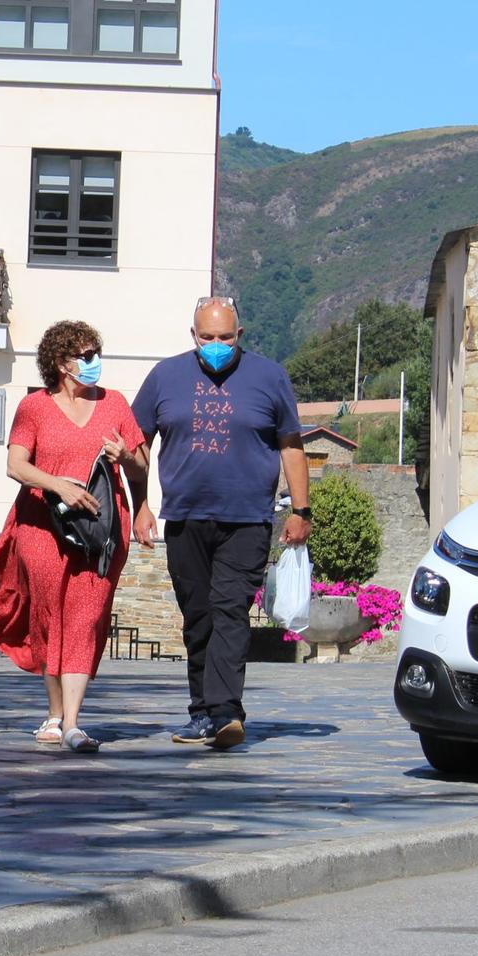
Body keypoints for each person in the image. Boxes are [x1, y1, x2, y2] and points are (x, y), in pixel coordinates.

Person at [131, 297, 311, 752]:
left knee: (230, 609)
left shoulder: (269, 376)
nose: (216, 345)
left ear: (240, 336)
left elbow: (291, 445)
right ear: (193, 336)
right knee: (199, 617)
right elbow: (137, 445)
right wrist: (140, 505)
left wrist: (301, 510)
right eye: (207, 337)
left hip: (247, 520)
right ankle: (202, 713)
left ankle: (226, 711)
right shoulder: (164, 377)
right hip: (185, 518)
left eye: (225, 338)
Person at [0, 320, 149, 753]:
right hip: (42, 527)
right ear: (61, 363)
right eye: (86, 356)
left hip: (101, 530)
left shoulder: (115, 404)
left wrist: (126, 455)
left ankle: (73, 722)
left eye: (96, 353)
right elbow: (16, 465)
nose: (95, 363)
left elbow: (142, 467)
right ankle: (54, 712)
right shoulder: (34, 407)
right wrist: (59, 484)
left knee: (87, 618)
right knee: (49, 615)